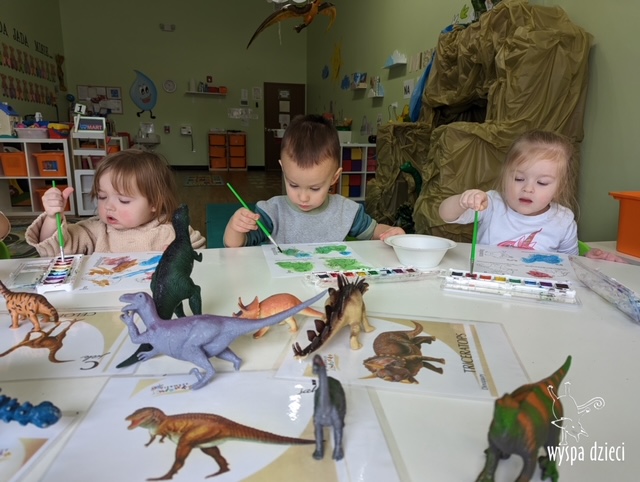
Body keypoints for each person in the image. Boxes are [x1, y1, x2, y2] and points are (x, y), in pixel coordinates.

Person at [438, 129, 626, 262]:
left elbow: (571, 262)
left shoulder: (563, 219)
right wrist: (463, 200)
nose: (528, 188)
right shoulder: (492, 203)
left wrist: (587, 258)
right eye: (519, 179)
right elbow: (445, 214)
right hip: (489, 286)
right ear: (505, 177)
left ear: (559, 188)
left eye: (542, 183)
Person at [224, 114, 405, 247]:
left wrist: (391, 234)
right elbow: (235, 245)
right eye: (293, 185)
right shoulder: (272, 212)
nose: (303, 197)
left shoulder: (345, 211)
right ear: (283, 169)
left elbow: (374, 232)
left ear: (334, 177)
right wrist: (235, 226)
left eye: (315, 188)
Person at [26, 149, 206, 256]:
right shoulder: (95, 231)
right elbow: (53, 249)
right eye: (102, 197)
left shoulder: (172, 230)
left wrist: (181, 255)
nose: (109, 206)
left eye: (123, 200)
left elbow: (201, 257)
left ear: (154, 203)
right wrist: (52, 217)